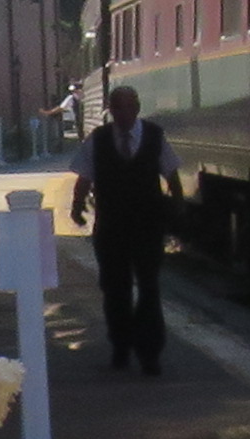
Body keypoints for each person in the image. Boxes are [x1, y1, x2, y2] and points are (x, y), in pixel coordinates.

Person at [76, 83, 178, 375]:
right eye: (116, 107)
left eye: (128, 107)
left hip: (147, 224)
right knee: (115, 289)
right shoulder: (98, 139)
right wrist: (77, 206)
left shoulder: (155, 136)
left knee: (148, 287)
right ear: (110, 110)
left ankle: (150, 353)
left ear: (137, 108)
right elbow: (84, 176)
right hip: (111, 226)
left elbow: (170, 172)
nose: (122, 113)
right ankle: (121, 345)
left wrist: (177, 205)